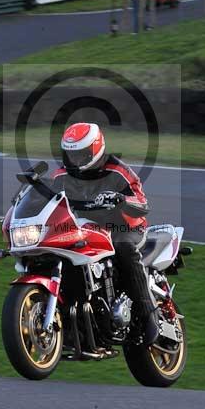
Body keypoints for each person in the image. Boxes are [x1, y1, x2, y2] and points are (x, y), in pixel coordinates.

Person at [52, 121, 159, 346]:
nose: (75, 161)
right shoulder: (60, 175)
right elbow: (48, 202)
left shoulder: (117, 170)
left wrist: (121, 200)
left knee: (123, 247)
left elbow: (143, 202)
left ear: (96, 149)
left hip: (124, 226)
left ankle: (148, 313)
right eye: (71, 155)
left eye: (81, 154)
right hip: (86, 228)